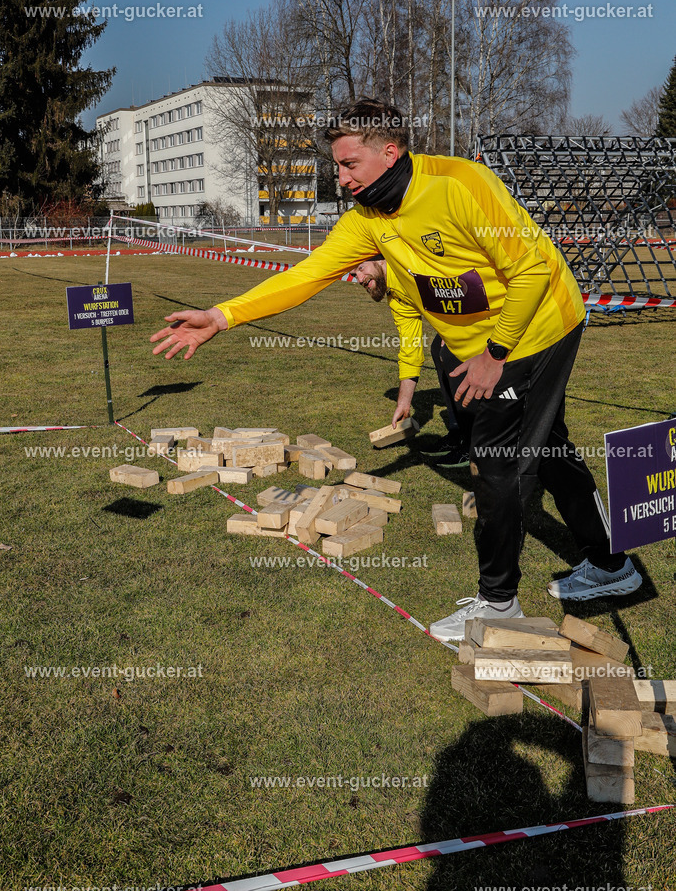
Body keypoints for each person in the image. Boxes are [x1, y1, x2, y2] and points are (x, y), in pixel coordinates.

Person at [150, 98, 642, 639]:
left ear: (389, 152)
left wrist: (494, 356)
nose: (341, 179)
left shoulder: (460, 185)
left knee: (496, 467)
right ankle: (612, 564)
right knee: (548, 449)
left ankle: (498, 604)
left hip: (538, 327)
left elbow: (530, 272)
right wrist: (220, 317)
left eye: (349, 164)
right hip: (479, 342)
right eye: (337, 166)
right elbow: (306, 275)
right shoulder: (367, 221)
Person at [351, 255, 471, 467]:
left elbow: (455, 279)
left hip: (477, 306)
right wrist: (404, 403)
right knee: (438, 349)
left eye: (361, 268)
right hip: (456, 315)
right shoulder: (396, 296)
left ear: (380, 260)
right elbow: (410, 348)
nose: (359, 279)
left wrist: (453, 325)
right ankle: (457, 434)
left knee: (450, 352)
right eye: (354, 274)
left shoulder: (410, 267)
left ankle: (473, 446)